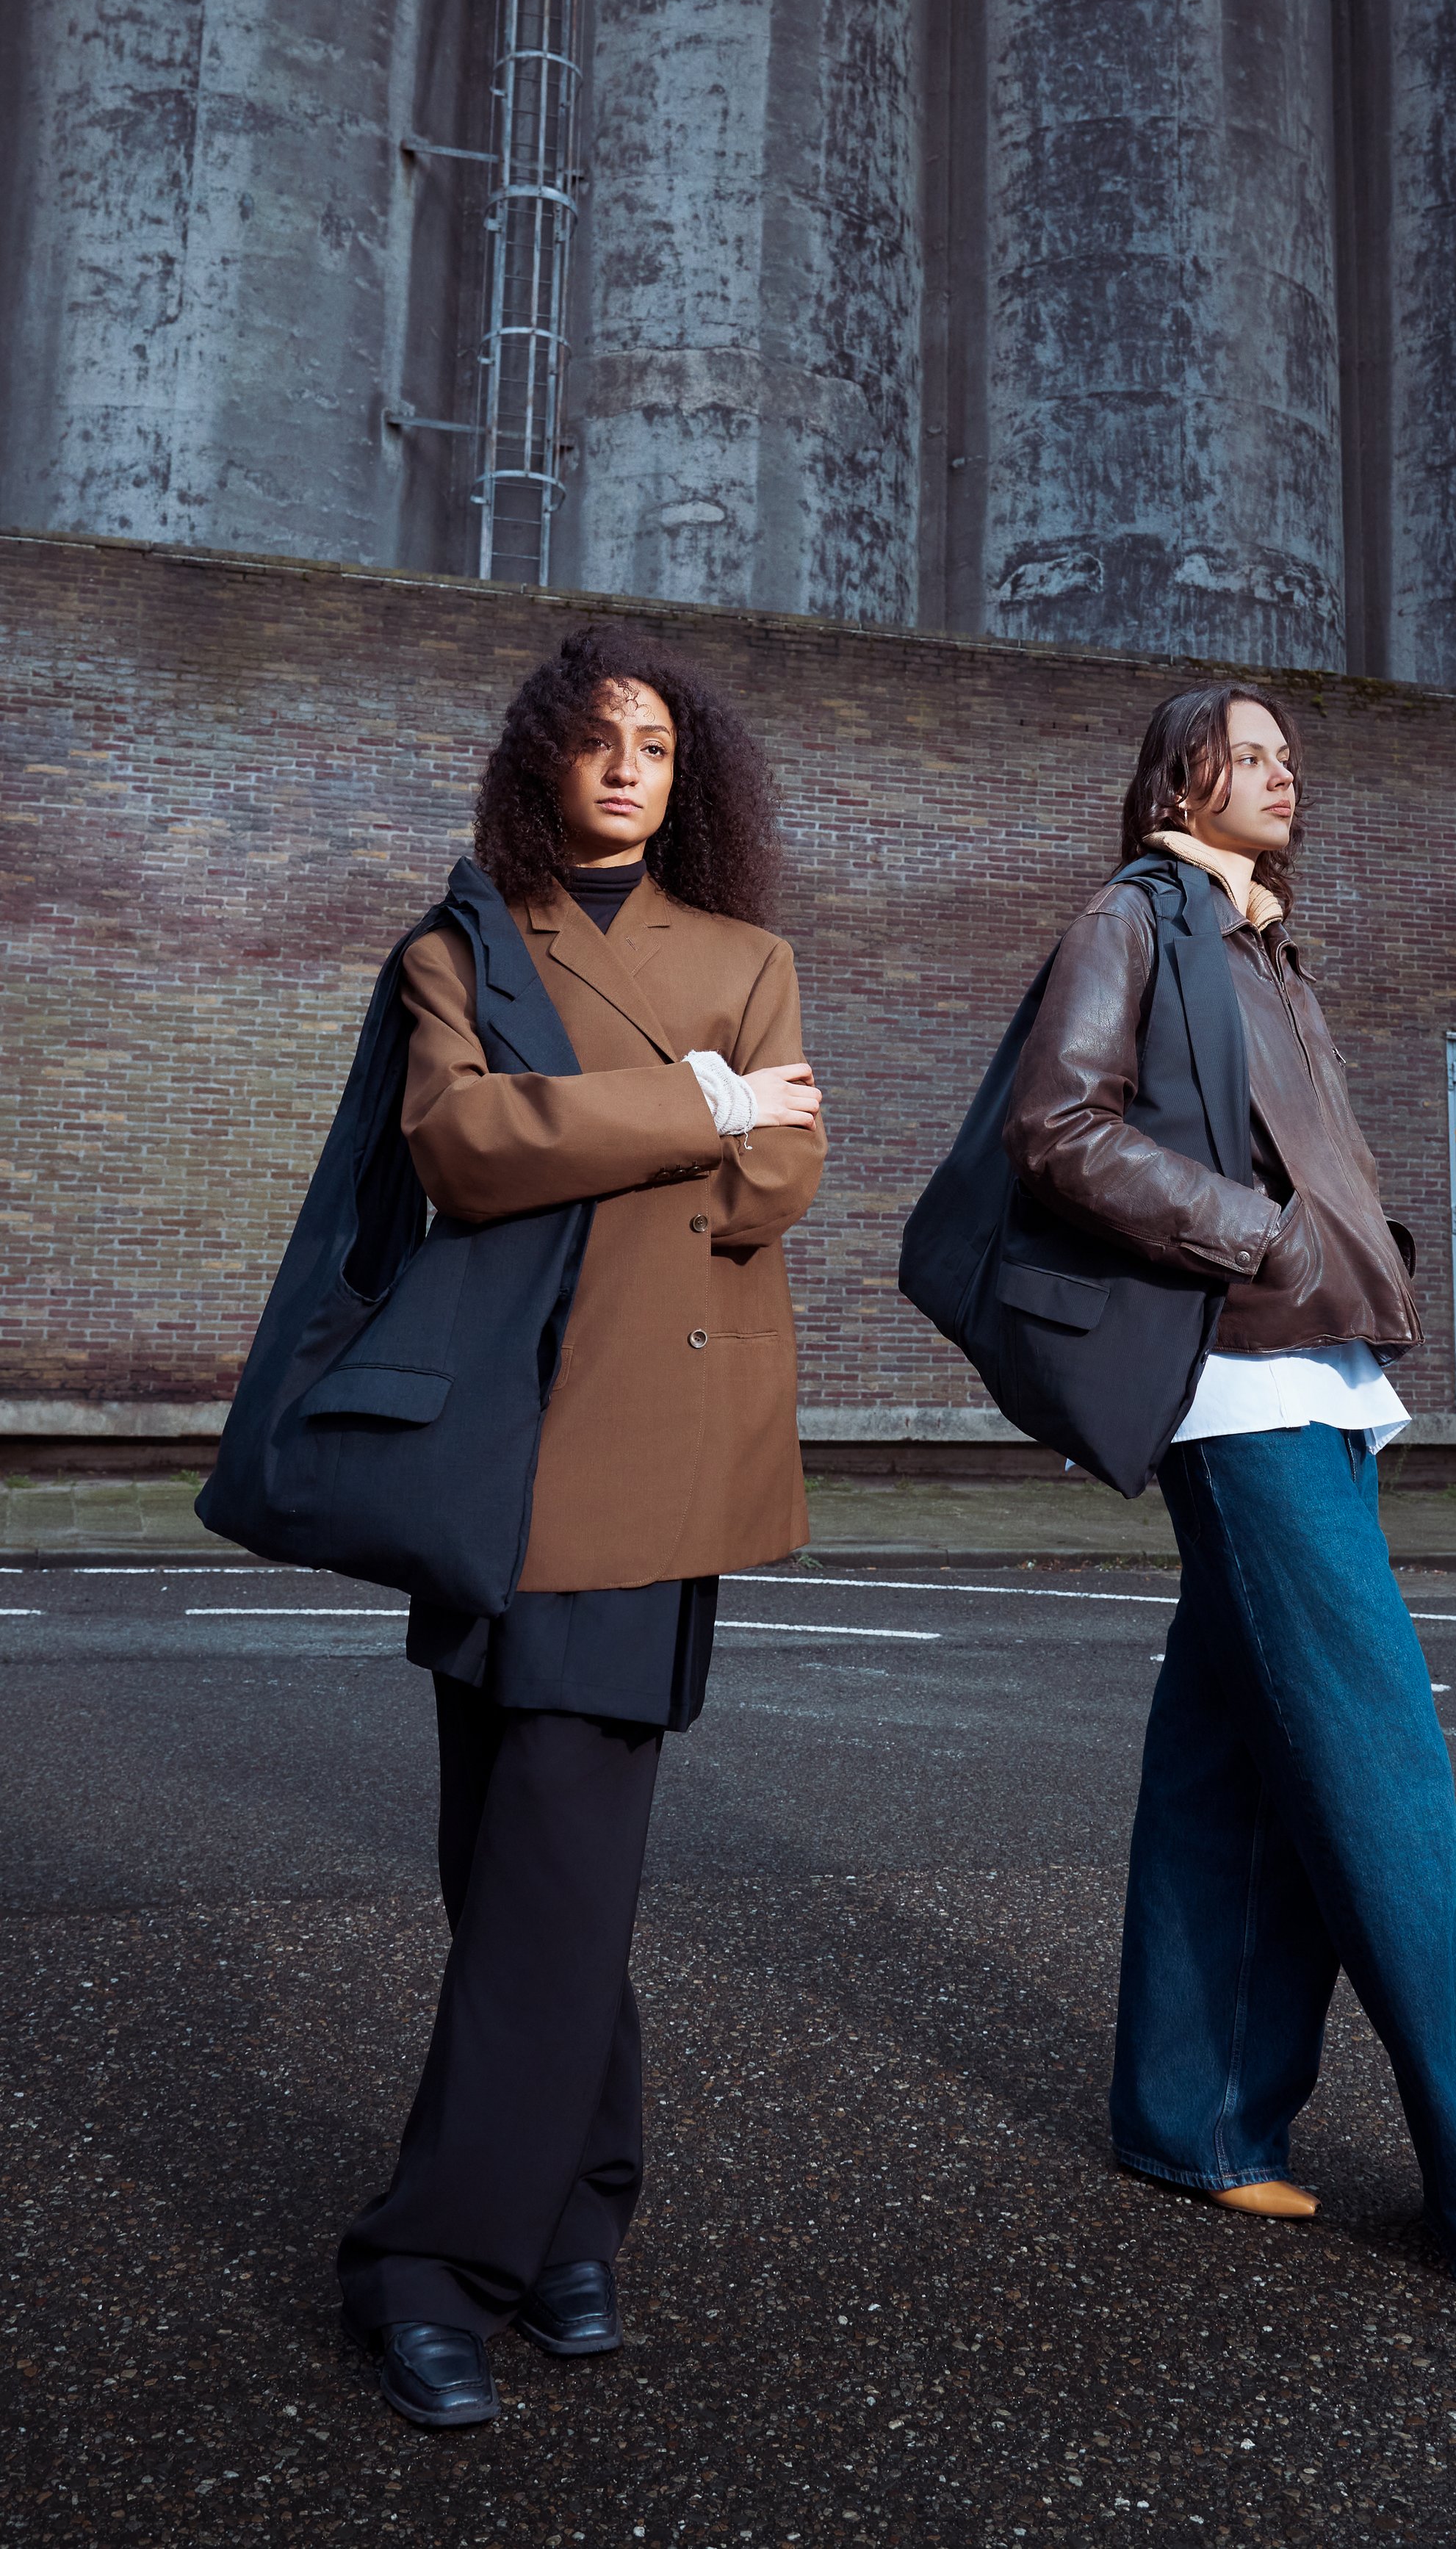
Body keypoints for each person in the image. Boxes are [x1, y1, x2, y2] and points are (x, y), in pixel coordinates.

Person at [1003, 682, 1456, 2304]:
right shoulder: (1139, 920)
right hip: (1243, 1387)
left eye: (1290, 757)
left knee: (1230, 1769)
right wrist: (1258, 1239)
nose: (1284, 775)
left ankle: (1187, 2116)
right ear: (1175, 777)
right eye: (1250, 753)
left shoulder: (1264, 950)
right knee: (1378, 1779)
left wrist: (1359, 1261)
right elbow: (1053, 1125)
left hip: (1320, 1379)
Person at [336, 626, 826, 2425]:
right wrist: (693, 1103)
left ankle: (433, 2261)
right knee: (523, 1861)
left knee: (552, 1852)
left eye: (659, 747)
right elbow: (459, 1146)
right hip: (487, 1448)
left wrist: (631, 1132)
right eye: (598, 741)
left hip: (651, 1444)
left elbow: (782, 1177)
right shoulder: (458, 946)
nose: (630, 769)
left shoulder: (746, 955)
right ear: (539, 758)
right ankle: (571, 2224)